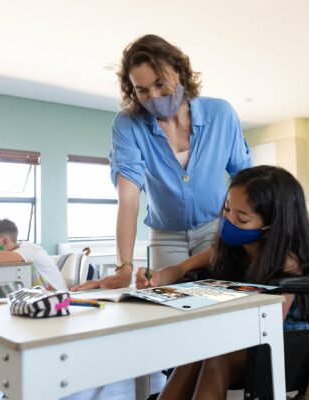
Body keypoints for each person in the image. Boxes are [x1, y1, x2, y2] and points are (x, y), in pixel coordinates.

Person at [72, 34, 251, 291]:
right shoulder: (127, 125)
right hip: (166, 235)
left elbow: (245, 178)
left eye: (160, 84)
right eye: (142, 90)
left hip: (216, 229)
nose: (154, 97)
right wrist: (124, 268)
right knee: (168, 305)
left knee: (217, 300)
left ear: (180, 73)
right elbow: (129, 198)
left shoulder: (221, 114)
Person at [135, 165, 309, 399]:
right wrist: (157, 276)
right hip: (246, 332)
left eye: (242, 218)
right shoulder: (229, 250)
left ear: (272, 225)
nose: (229, 220)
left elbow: (270, 323)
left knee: (216, 358)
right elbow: (181, 268)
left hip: (289, 337)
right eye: (227, 209)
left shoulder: (287, 262)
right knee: (193, 355)